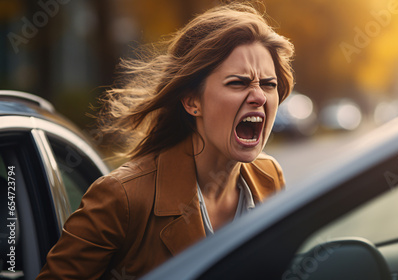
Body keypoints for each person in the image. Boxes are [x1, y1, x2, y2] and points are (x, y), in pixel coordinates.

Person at [36, 2, 294, 279]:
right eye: (238, 83)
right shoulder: (121, 198)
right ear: (192, 101)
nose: (259, 97)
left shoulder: (269, 177)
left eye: (269, 84)